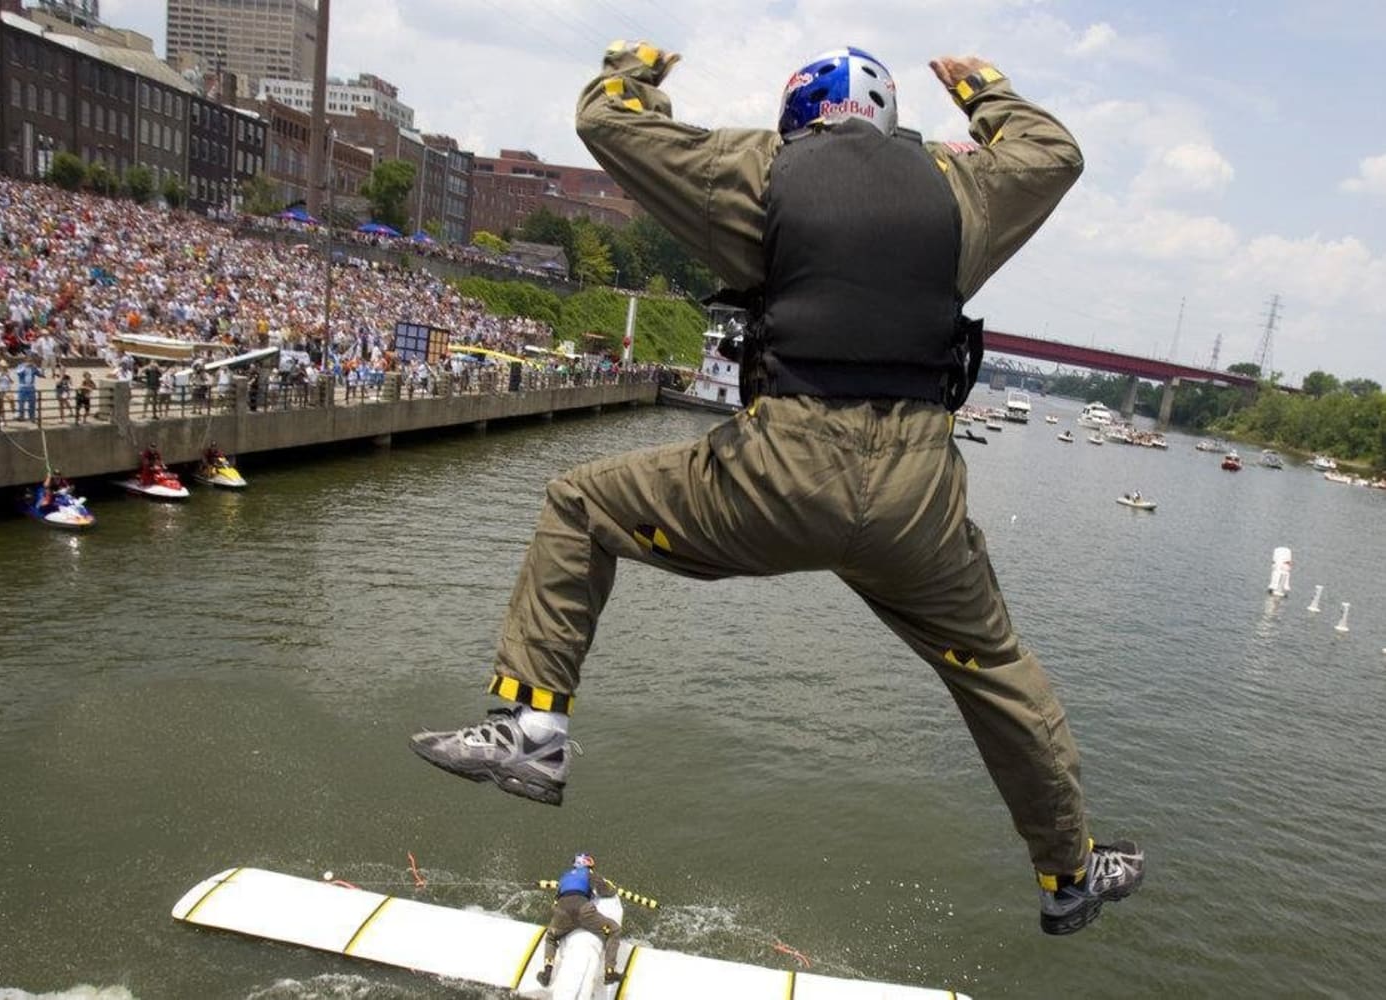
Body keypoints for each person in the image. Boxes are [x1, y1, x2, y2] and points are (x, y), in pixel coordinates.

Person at [409, 42, 1143, 936]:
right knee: (998, 676)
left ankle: (532, 728)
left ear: (801, 113)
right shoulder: (966, 190)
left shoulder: (758, 171)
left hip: (778, 478)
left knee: (581, 504)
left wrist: (632, 67)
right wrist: (984, 90)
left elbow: (607, 120)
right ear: (888, 114)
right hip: (918, 505)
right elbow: (1053, 153)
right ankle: (1069, 873)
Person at [534, 853, 622, 988]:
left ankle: (547, 972)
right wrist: (610, 887)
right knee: (614, 930)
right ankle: (610, 971)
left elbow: (557, 899)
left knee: (551, 937)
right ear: (588, 864)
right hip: (584, 911)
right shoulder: (588, 874)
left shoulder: (564, 877)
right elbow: (607, 891)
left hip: (562, 913)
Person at [14, 356, 42, 423]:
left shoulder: (33, 368)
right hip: (22, 386)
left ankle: (32, 417)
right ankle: (21, 416)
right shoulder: (20, 366)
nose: (30, 362)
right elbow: (18, 373)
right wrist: (25, 367)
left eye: (31, 361)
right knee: (21, 402)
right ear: (25, 361)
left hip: (31, 387)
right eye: (29, 361)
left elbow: (39, 374)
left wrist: (37, 368)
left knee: (32, 402)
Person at [0, 359, 13, 427]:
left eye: (5, 367)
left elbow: (12, 381)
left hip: (7, 389)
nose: (4, 368)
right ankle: (3, 420)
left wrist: (8, 376)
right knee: (1, 406)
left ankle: (13, 410)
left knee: (12, 400)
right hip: (0, 390)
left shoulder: (8, 372)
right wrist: (1, 374)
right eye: (3, 366)